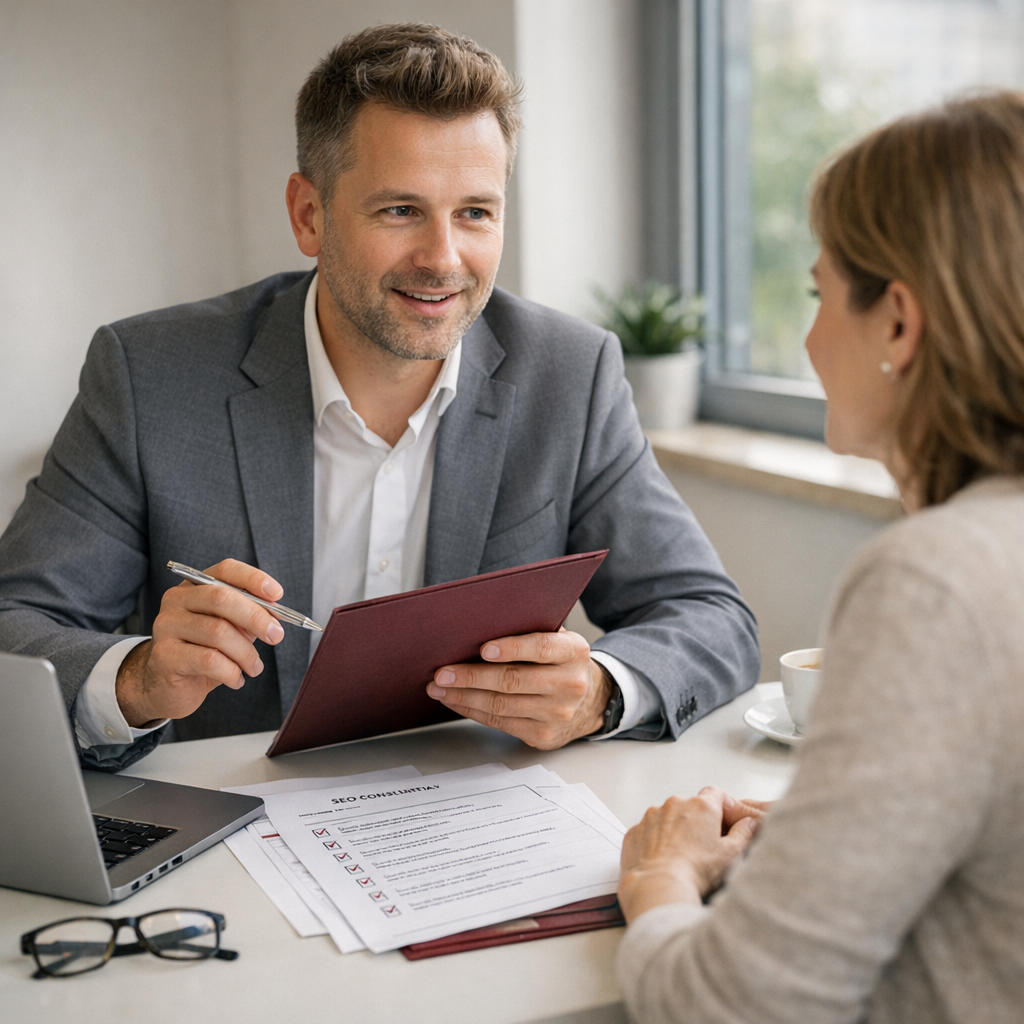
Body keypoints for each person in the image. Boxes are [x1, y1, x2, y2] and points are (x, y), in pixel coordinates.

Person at [0, 24, 759, 773]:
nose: (443, 259)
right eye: (400, 210)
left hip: (473, 830)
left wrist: (600, 689)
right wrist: (137, 680)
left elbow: (712, 619)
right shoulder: (149, 375)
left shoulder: (571, 374)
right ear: (309, 214)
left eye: (475, 212)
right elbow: (15, 628)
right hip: (228, 833)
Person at [615, 90, 1024, 1023]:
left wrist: (664, 879)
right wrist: (817, 843)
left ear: (898, 323)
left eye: (820, 293)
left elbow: (734, 1005)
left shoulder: (937, 580)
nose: (806, 336)